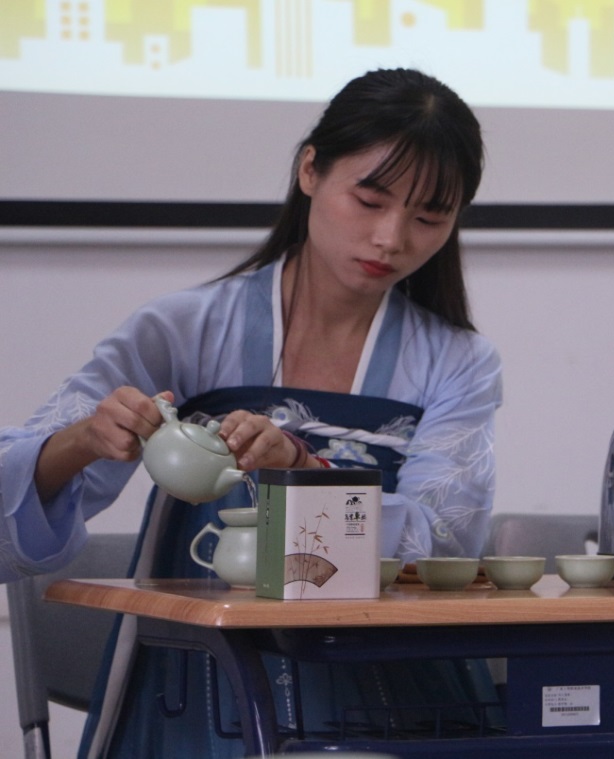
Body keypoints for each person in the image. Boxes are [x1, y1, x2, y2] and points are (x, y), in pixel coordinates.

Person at [0, 67, 501, 756]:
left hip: (388, 679)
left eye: (428, 218)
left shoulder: (458, 361)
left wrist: (302, 470)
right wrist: (85, 439)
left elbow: (442, 548)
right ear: (309, 171)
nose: (391, 237)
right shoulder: (181, 329)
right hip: (199, 679)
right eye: (369, 199)